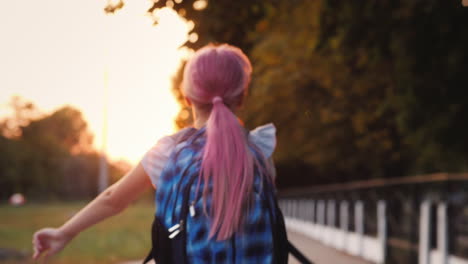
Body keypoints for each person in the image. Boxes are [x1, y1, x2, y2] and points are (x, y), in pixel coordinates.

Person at [32, 43, 277, 262]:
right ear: (242, 96)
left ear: (187, 98)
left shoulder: (168, 153)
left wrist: (64, 233)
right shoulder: (260, 148)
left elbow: (113, 199)